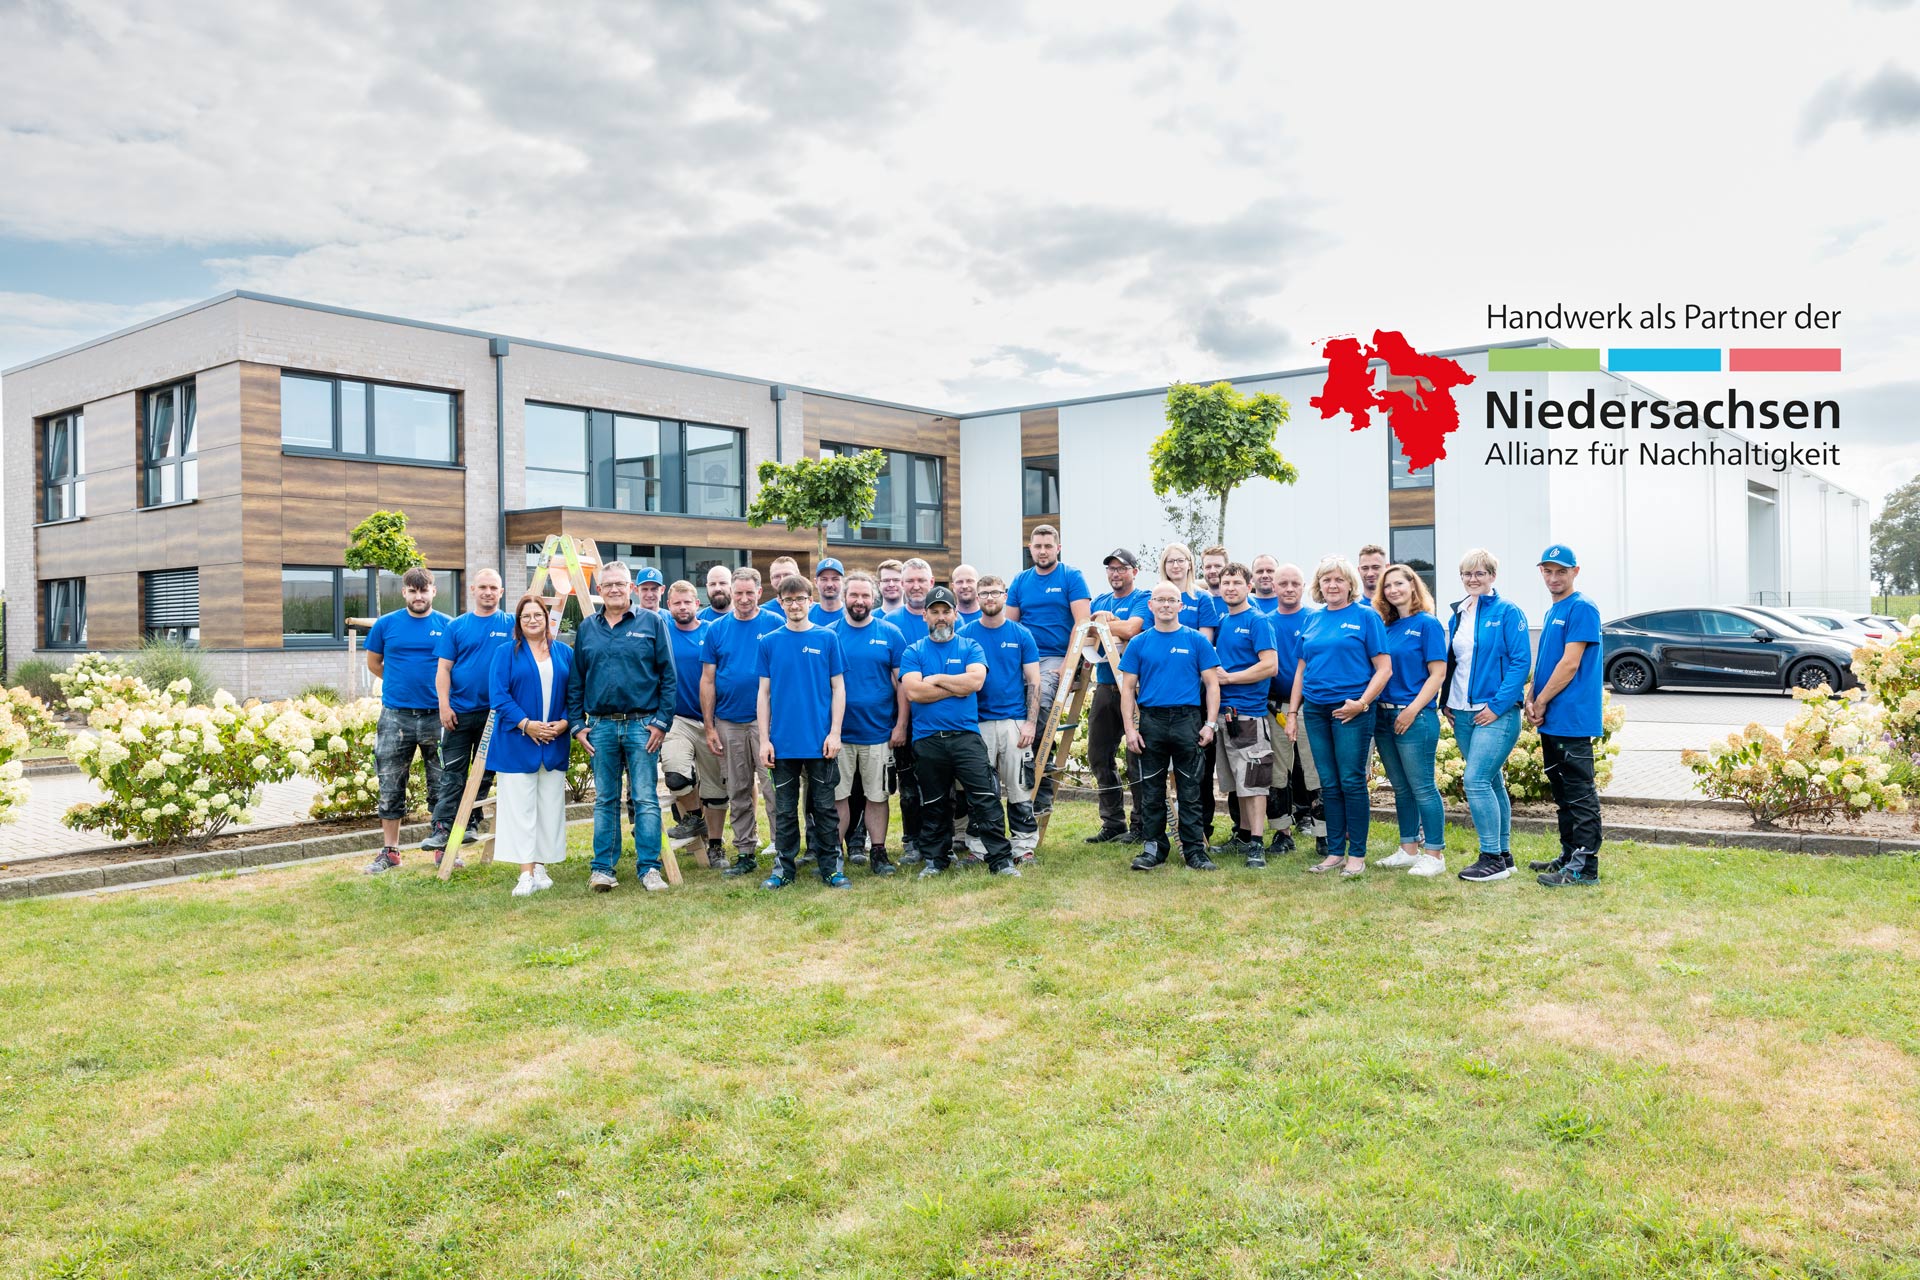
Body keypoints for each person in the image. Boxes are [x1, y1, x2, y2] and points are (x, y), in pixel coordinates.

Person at [567, 561, 678, 893]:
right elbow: (576, 680)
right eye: (608, 585)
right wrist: (577, 725)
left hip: (643, 726)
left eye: (620, 584)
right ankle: (603, 869)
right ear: (599, 590)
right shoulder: (587, 628)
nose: (614, 589)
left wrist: (661, 722)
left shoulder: (653, 623)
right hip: (600, 727)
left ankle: (649, 868)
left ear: (631, 588)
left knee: (645, 798)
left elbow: (669, 677)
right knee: (605, 800)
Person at [898, 586, 1021, 879]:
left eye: (946, 611)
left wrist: (936, 679)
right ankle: (935, 860)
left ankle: (1001, 860)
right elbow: (914, 692)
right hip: (928, 740)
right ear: (925, 615)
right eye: (935, 612)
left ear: (955, 614)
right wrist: (957, 687)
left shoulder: (970, 646)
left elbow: (975, 682)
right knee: (934, 803)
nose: (941, 617)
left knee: (985, 798)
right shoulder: (913, 651)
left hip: (966, 736)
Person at [1285, 556, 1390, 877]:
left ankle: (1356, 855)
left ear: (1349, 584)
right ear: (1319, 585)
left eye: (1339, 579)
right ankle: (1334, 853)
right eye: (1326, 579)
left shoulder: (1366, 617)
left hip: (1350, 712)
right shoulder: (1313, 619)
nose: (1332, 585)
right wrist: (1293, 713)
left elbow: (1384, 668)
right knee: (1328, 783)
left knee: (1351, 781)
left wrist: (1362, 703)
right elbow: (1301, 669)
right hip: (1315, 711)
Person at [1118, 582, 1222, 872]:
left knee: (1191, 788)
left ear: (1180, 605)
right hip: (1152, 721)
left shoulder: (1196, 640)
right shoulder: (1139, 643)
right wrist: (1130, 730)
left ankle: (1195, 851)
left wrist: (1210, 724)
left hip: (1188, 720)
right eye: (1160, 600)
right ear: (1151, 605)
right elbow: (1127, 689)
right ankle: (1153, 847)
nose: (1165, 604)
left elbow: (1212, 685)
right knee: (1151, 789)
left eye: (1171, 600)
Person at [1442, 548, 1532, 884]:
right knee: (1492, 781)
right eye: (1467, 573)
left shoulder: (1508, 611)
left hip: (1496, 712)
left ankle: (1491, 857)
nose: (1473, 579)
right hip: (1462, 712)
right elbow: (1454, 662)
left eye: (1480, 573)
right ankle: (1505, 856)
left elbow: (1521, 662)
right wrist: (1446, 701)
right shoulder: (1458, 614)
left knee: (1476, 780)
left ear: (1492, 576)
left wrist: (1497, 705)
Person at [755, 576, 849, 890]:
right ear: (780, 603)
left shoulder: (827, 638)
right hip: (782, 744)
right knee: (784, 810)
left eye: (800, 599)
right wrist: (764, 740)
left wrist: (835, 733)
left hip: (821, 742)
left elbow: (838, 688)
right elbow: (763, 693)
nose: (794, 605)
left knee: (824, 809)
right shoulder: (769, 642)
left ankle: (831, 868)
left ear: (810, 601)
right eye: (788, 600)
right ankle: (784, 869)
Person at [362, 566, 451, 874]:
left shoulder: (448, 626)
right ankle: (391, 851)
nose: (418, 596)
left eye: (424, 590)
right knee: (390, 783)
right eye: (413, 591)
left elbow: (455, 666)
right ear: (404, 593)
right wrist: (399, 682)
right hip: (395, 716)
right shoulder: (386, 625)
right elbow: (374, 663)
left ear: (433, 591)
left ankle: (442, 849)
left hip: (437, 716)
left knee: (442, 783)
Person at [1526, 546, 1606, 887]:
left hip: (1571, 718)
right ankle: (1569, 854)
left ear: (1575, 571)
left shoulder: (1582, 607)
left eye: (1561, 571)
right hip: (1553, 718)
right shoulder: (1553, 610)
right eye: (1548, 571)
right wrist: (1532, 695)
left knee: (1580, 794)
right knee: (1562, 793)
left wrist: (1542, 700)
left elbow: (1570, 663)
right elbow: (1548, 660)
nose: (1554, 577)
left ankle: (1584, 868)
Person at [488, 593, 574, 897]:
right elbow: (499, 696)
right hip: (517, 741)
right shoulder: (505, 653)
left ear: (547, 619)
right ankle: (525, 873)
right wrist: (526, 724)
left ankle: (540, 867)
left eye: (538, 614)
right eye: (526, 616)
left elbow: (576, 694)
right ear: (519, 622)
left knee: (549, 807)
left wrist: (564, 723)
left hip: (554, 740)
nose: (533, 620)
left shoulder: (564, 653)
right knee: (520, 808)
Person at [702, 566, 787, 876]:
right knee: (738, 790)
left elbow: (787, 672)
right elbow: (707, 680)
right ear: (731, 593)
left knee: (774, 789)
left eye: (750, 592)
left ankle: (783, 850)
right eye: (738, 593)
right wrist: (709, 727)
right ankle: (745, 852)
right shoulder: (717, 629)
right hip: (729, 721)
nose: (744, 598)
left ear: (759, 593)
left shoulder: (775, 624)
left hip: (768, 724)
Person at [1005, 524, 1092, 815]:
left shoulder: (1071, 576)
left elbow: (1082, 623)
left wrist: (1069, 663)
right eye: (1038, 546)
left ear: (1058, 548)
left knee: (1040, 702)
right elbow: (1010, 625)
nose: (1043, 551)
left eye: (1048, 546)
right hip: (1025, 658)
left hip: (1056, 657)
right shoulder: (1021, 581)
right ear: (1030, 548)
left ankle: (1038, 775)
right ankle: (1031, 769)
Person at [424, 569, 510, 861]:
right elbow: (443, 669)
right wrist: (444, 705)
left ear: (501, 592)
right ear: (473, 589)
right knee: (453, 774)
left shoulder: (511, 624)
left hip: (495, 714)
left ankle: (471, 823)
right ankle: (441, 829)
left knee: (484, 774)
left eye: (493, 588)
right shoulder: (457, 626)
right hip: (459, 713)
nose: (488, 592)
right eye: (483, 587)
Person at [1372, 564, 1450, 877]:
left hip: (1414, 716)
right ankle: (1408, 849)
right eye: (1387, 586)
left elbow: (1438, 674)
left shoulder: (1428, 624)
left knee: (1423, 787)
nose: (1393, 590)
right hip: (1383, 715)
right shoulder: (1386, 627)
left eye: (1399, 584)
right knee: (1401, 788)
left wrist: (1412, 710)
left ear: (1413, 586)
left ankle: (1435, 854)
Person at [829, 571, 908, 876]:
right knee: (838, 796)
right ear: (844, 597)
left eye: (865, 595)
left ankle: (878, 851)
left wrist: (900, 725)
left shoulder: (890, 634)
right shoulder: (829, 635)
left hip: (879, 733)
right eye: (854, 595)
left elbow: (903, 685)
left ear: (873, 598)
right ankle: (834, 855)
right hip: (840, 734)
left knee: (878, 795)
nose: (859, 601)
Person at [960, 574, 1041, 862]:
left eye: (995, 592)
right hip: (976, 723)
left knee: (1019, 787)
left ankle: (1023, 847)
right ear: (977, 598)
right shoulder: (965, 634)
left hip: (1013, 722)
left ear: (1005, 596)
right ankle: (979, 847)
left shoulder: (1021, 634)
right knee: (980, 790)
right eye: (984, 593)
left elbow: (1034, 681)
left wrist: (1030, 722)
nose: (990, 598)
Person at [1210, 562, 1279, 866]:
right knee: (1239, 783)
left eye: (1237, 583)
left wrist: (1230, 678)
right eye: (1226, 583)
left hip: (1249, 714)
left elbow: (1270, 665)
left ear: (1248, 587)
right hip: (1224, 714)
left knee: (1254, 781)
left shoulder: (1258, 621)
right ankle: (1243, 836)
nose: (1230, 588)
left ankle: (1257, 845)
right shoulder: (1223, 621)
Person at [1084, 548, 1153, 843]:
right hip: (1104, 685)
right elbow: (1084, 631)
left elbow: (1133, 628)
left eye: (1122, 568)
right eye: (1111, 569)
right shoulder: (1100, 601)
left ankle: (1141, 825)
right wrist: (1103, 622)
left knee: (1137, 757)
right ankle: (1112, 822)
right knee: (1098, 755)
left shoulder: (1142, 598)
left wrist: (1102, 624)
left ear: (1134, 572)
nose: (1116, 573)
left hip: (1135, 689)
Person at [661, 581, 728, 869]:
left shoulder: (712, 631)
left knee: (716, 790)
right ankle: (694, 817)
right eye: (677, 603)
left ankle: (716, 845)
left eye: (687, 602)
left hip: (713, 720)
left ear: (697, 604)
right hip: (679, 719)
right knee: (675, 775)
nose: (682, 607)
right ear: (669, 606)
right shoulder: (663, 634)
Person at [1265, 562, 1325, 856]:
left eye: (1295, 584)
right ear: (1273, 587)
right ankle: (1282, 833)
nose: (1289, 589)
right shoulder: (1264, 622)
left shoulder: (1317, 619)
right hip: (1274, 706)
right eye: (1283, 583)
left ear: (1304, 587)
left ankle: (1324, 833)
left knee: (1315, 770)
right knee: (1277, 772)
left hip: (1309, 706)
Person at [1158, 542, 1220, 638]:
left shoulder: (1203, 598)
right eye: (1170, 561)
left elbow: (1205, 642)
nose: (1175, 566)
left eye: (1181, 560)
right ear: (1164, 566)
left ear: (1189, 565)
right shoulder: (1155, 598)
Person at [884, 557, 934, 644]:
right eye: (910, 581)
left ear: (931, 582)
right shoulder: (889, 621)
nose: (916, 587)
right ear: (902, 583)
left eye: (921, 581)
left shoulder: (949, 619)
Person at [809, 557, 846, 625]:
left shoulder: (852, 614)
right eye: (824, 579)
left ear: (843, 582)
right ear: (816, 582)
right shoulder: (806, 615)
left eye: (835, 579)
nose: (829, 584)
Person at [1200, 546, 1230, 611]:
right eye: (1208, 567)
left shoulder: (1242, 602)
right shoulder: (1196, 602)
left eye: (1218, 566)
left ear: (1227, 568)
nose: (1212, 571)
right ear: (1203, 569)